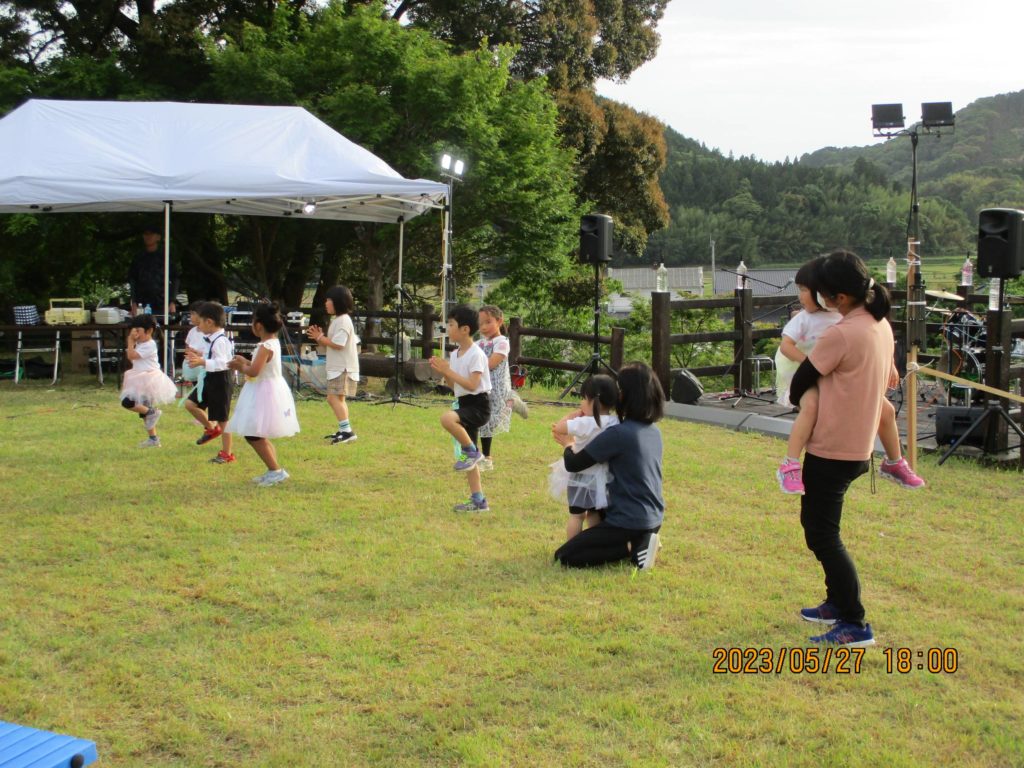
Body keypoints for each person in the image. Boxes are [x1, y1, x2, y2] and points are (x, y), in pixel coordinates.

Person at [788, 249, 893, 648]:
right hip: (858, 445)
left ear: (840, 298)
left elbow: (803, 378)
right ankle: (836, 602)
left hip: (833, 448)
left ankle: (854, 621)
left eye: (822, 293)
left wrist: (801, 401)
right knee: (822, 529)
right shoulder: (879, 324)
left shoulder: (842, 333)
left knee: (822, 535)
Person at [776, 261, 925, 494]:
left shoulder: (844, 317)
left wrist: (891, 366)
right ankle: (790, 463)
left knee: (886, 410)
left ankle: (894, 460)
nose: (801, 296)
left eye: (806, 289)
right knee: (811, 407)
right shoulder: (804, 319)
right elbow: (786, 347)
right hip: (804, 377)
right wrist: (814, 364)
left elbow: (871, 347)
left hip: (829, 378)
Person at [553, 362, 665, 569]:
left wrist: (568, 443)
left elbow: (574, 464)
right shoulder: (653, 431)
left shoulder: (619, 433)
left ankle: (635, 546)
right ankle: (644, 540)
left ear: (627, 395)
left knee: (564, 556)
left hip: (628, 522)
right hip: (653, 518)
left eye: (618, 388)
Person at [227, 303, 300, 487]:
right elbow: (259, 365)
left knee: (253, 433)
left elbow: (254, 371)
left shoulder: (265, 346)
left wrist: (240, 366)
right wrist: (246, 361)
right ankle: (274, 469)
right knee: (257, 433)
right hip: (267, 388)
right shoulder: (273, 342)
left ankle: (275, 470)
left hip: (263, 391)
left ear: (258, 325)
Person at [429, 304, 492, 512]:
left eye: (451, 324)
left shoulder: (476, 354)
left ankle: (471, 451)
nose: (448, 328)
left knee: (447, 419)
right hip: (465, 403)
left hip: (479, 405)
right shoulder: (455, 354)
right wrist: (444, 371)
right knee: (468, 463)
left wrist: (448, 371)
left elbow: (473, 385)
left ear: (465, 329)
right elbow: (453, 386)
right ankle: (478, 500)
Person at [549, 374, 620, 542]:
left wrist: (572, 415)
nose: (581, 402)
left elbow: (558, 428)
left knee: (577, 515)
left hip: (579, 476)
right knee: (594, 513)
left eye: (583, 398)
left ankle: (571, 545)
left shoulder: (584, 423)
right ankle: (593, 543)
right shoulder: (614, 422)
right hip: (601, 477)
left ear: (593, 402)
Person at [306, 285, 360, 445]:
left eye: (329, 300)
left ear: (338, 302)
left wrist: (319, 337)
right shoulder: (339, 320)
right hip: (340, 367)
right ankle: (344, 430)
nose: (326, 303)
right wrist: (319, 337)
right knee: (338, 399)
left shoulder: (343, 321)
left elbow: (338, 344)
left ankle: (347, 431)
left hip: (342, 368)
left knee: (332, 398)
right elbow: (332, 344)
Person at [184, 301, 236, 464]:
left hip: (221, 381)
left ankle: (227, 453)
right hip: (208, 378)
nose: (198, 326)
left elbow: (223, 363)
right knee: (190, 404)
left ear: (209, 322)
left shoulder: (220, 340)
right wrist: (199, 355)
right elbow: (210, 355)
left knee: (222, 418)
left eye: (200, 322)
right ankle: (211, 428)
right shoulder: (210, 338)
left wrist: (202, 361)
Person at [120, 314, 178, 447]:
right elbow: (132, 358)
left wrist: (130, 341)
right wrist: (133, 343)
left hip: (148, 379)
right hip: (140, 378)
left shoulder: (149, 345)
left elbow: (131, 355)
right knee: (144, 411)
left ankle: (153, 414)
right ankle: (153, 438)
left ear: (149, 330)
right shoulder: (141, 343)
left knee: (128, 403)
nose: (135, 334)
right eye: (133, 331)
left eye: (138, 331)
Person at [477, 305, 512, 471]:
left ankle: (486, 457)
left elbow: (490, 364)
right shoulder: (479, 343)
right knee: (477, 421)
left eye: (488, 322)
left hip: (496, 390)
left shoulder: (502, 343)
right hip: (480, 387)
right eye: (480, 323)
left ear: (499, 321)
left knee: (488, 423)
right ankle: (475, 455)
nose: (483, 327)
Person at [128, 225, 179, 317]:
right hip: (142, 303)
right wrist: (134, 302)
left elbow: (175, 279)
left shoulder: (166, 257)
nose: (148, 237)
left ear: (158, 237)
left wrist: (172, 301)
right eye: (145, 234)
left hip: (162, 302)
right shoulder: (138, 258)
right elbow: (133, 280)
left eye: (151, 234)